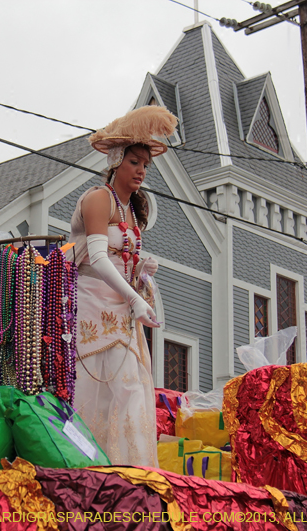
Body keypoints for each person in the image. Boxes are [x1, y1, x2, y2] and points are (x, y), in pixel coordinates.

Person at [70, 106, 177, 467]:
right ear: (116, 161)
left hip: (123, 307)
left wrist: (141, 280)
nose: (141, 171)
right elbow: (98, 258)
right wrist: (134, 297)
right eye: (134, 162)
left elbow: (122, 260)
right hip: (92, 303)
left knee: (131, 387)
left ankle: (133, 469)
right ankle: (87, 467)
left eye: (145, 165)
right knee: (93, 389)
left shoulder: (132, 211)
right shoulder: (98, 198)